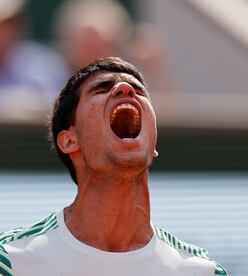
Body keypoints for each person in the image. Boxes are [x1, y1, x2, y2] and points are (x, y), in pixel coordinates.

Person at [0, 57, 228, 276]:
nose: (124, 89)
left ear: (153, 144)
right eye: (102, 88)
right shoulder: (10, 260)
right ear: (70, 140)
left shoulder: (203, 272)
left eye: (137, 90)